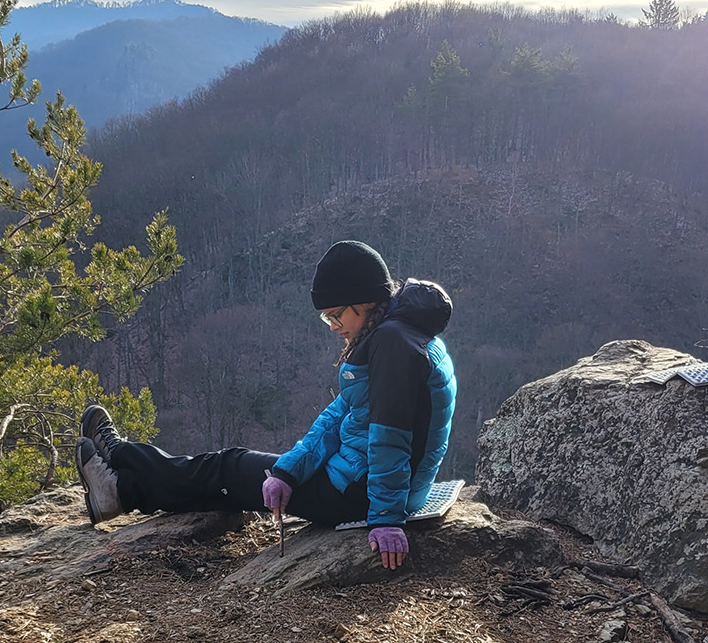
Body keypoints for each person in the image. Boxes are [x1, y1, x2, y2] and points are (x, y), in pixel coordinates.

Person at [76, 240, 456, 570]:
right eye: (326, 318)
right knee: (234, 481)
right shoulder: (399, 328)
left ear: (365, 301)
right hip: (357, 476)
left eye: (335, 315)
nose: (333, 326)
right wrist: (289, 470)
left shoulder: (393, 345)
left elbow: (392, 438)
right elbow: (342, 413)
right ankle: (121, 477)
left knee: (229, 467)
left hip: (358, 493)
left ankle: (120, 479)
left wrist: (387, 519)